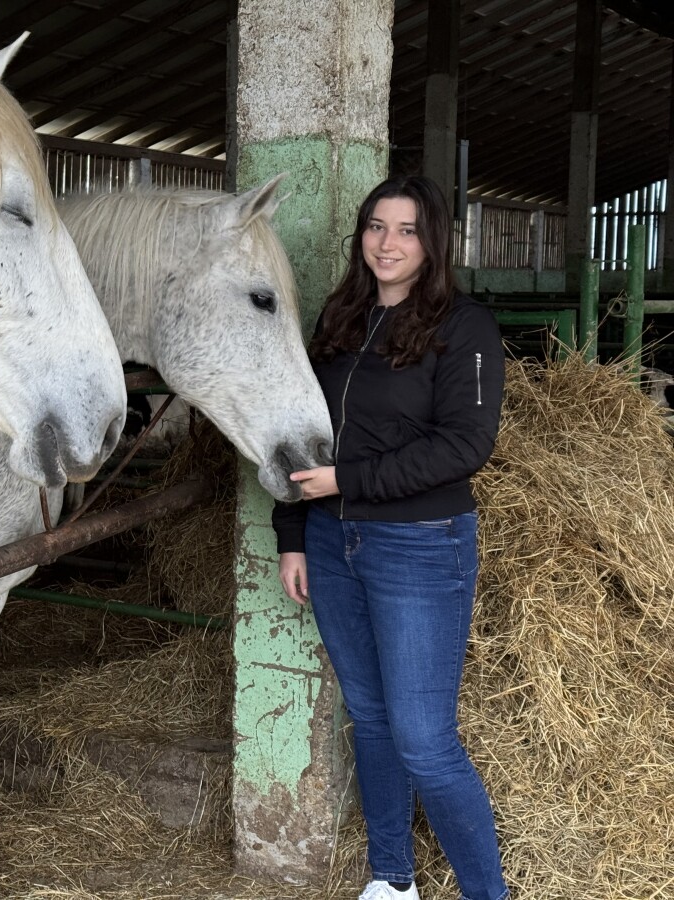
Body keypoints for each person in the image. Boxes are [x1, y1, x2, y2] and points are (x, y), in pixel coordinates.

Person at [270, 174, 508, 900]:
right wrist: (292, 532)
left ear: (433, 241)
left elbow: (465, 446)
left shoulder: (462, 328)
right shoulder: (341, 319)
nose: (388, 243)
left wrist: (349, 481)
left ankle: (486, 894)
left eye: (406, 230)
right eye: (377, 226)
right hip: (332, 545)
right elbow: (297, 433)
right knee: (369, 716)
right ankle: (392, 879)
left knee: (425, 740)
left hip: (418, 544)